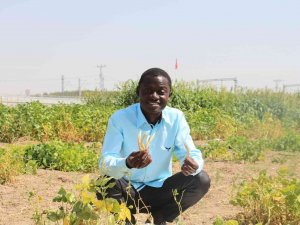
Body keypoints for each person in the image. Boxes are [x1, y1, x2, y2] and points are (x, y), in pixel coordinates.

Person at [98, 68, 210, 225]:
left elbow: (191, 153)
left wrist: (192, 164)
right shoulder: (120, 119)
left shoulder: (176, 118)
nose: (154, 97)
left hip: (161, 190)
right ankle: (126, 221)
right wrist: (127, 163)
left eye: (161, 92)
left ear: (169, 95)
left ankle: (160, 218)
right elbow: (105, 162)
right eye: (148, 91)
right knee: (105, 182)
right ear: (138, 92)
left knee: (201, 179)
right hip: (128, 190)